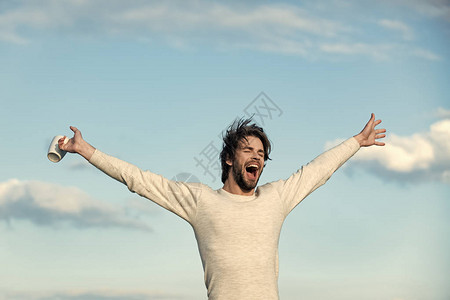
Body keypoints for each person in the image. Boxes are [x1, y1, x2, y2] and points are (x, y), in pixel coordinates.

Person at [59, 113, 386, 300]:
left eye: (261, 153)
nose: (257, 156)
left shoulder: (275, 198)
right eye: (248, 150)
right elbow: (140, 180)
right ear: (230, 158)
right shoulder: (201, 201)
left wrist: (356, 141)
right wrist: (87, 150)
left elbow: (316, 172)